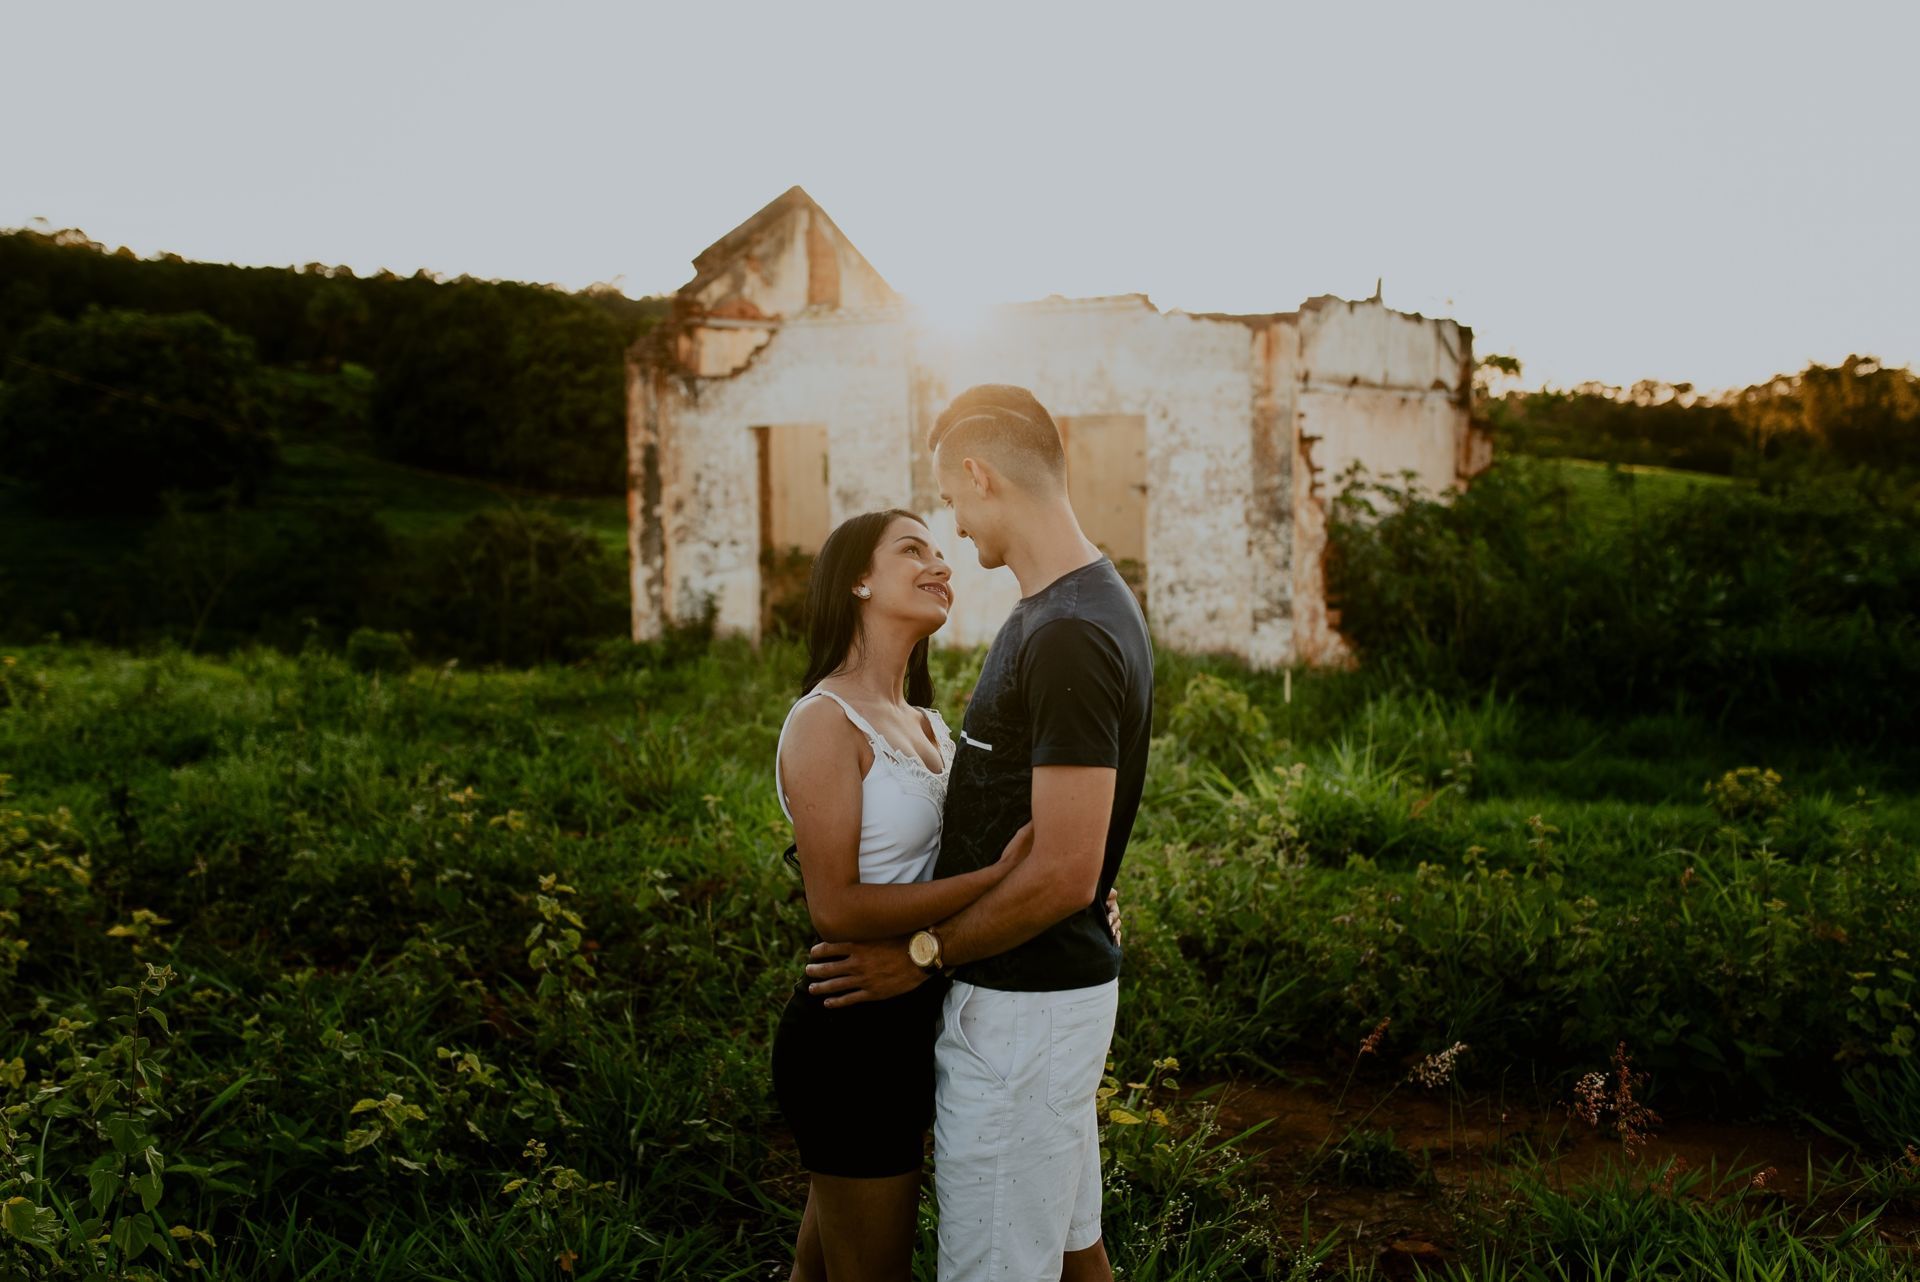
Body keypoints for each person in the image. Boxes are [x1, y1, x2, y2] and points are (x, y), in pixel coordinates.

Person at [805, 385, 1155, 1282]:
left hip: (1024, 1016)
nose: (956, 532)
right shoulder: (1063, 609)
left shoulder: (1070, 627)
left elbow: (1064, 868)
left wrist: (921, 953)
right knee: (1078, 1255)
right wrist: (1081, 881)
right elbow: (1058, 845)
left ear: (978, 474)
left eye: (950, 505)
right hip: (1036, 998)